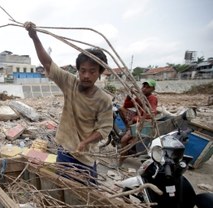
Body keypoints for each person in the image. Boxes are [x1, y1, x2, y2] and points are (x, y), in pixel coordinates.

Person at [24, 22, 113, 183]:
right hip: (64, 150)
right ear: (78, 70)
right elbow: (48, 63)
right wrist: (34, 37)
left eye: (92, 71)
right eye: (83, 70)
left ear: (100, 73)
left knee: (86, 195)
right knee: (63, 191)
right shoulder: (70, 83)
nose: (86, 75)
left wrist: (84, 143)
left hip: (85, 157)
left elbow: (105, 129)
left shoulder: (104, 100)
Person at [119, 79, 158, 159]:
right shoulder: (141, 97)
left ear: (153, 89)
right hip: (138, 119)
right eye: (143, 86)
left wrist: (134, 118)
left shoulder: (152, 98)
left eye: (148, 87)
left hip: (144, 122)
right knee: (121, 109)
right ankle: (128, 128)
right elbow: (126, 105)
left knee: (124, 140)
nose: (144, 88)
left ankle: (121, 160)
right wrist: (129, 95)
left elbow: (152, 114)